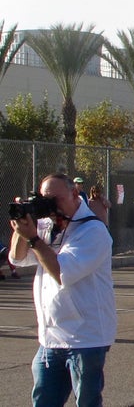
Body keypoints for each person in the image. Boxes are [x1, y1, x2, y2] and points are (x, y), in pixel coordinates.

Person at [8, 172, 117, 406]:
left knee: (86, 402)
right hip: (50, 338)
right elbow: (17, 258)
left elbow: (62, 272)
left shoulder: (93, 230)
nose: (50, 206)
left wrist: (34, 240)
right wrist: (21, 227)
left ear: (75, 194)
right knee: (44, 401)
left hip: (85, 338)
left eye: (55, 199)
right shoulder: (46, 225)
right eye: (44, 199)